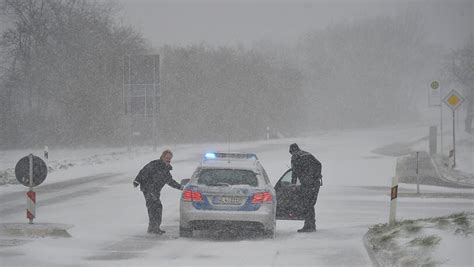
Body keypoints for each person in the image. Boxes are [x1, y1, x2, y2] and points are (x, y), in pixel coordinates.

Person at [133, 149, 183, 234]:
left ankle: (154, 228)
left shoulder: (166, 170)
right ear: (162, 157)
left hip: (156, 191)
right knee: (154, 207)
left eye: (170, 158)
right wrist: (137, 181)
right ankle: (153, 228)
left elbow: (170, 181)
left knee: (156, 208)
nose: (168, 159)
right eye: (167, 157)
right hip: (148, 188)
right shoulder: (154, 164)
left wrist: (181, 187)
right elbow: (143, 171)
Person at [289, 143, 322, 233]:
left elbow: (294, 172)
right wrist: (316, 176)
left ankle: (309, 226)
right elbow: (319, 164)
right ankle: (311, 225)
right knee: (310, 204)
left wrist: (293, 185)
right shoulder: (307, 154)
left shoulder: (295, 156)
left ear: (291, 151)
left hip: (307, 185)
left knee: (306, 204)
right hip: (315, 184)